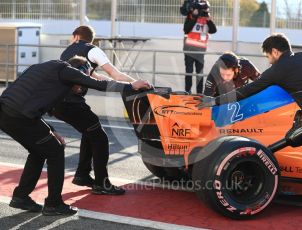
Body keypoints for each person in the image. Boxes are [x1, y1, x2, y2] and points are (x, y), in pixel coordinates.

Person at [196, 33, 302, 225]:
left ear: (275, 51)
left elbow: (248, 90)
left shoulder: (278, 70)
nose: (269, 61)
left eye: (268, 56)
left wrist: (215, 101)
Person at [0, 56, 151, 216]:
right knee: (55, 151)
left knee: (40, 151)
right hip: (19, 115)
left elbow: (33, 106)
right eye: (84, 77)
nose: (83, 84)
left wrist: (51, 130)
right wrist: (131, 85)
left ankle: (21, 197)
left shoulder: (45, 71)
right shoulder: (66, 70)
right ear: (79, 71)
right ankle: (53, 204)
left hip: (7, 113)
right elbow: (100, 84)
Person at [50, 25, 142, 195]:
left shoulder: (66, 52)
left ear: (76, 36)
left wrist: (129, 84)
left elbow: (95, 77)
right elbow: (116, 74)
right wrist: (136, 84)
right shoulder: (93, 50)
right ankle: (102, 183)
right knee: (100, 138)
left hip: (57, 102)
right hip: (72, 103)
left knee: (90, 131)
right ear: (91, 38)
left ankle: (82, 175)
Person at [181, 0, 217, 94]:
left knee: (199, 73)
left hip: (200, 51)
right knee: (189, 72)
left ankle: (199, 93)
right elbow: (186, 29)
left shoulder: (206, 18)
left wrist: (209, 20)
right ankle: (187, 91)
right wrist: (194, 17)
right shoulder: (191, 16)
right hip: (189, 49)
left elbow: (213, 30)